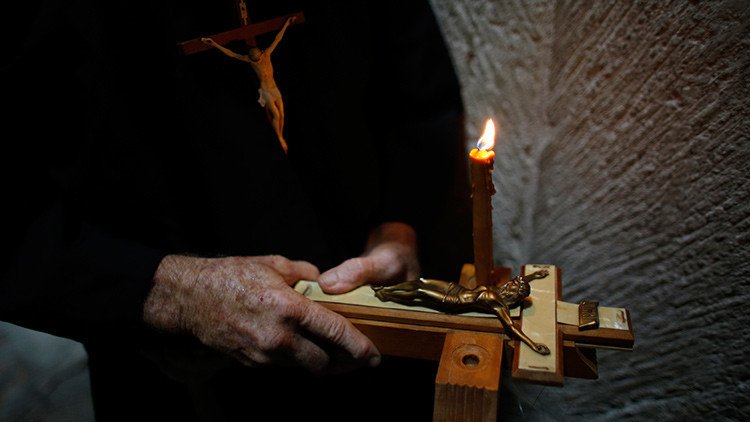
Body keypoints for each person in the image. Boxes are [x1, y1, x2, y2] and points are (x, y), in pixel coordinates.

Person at [1, 0, 469, 420]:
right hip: (179, 369)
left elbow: (416, 88)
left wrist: (399, 226)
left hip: (375, 335)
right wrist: (167, 292)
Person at [373, 270, 552, 355]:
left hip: (454, 301)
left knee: (420, 293)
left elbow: (511, 327)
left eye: (513, 285)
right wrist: (534, 276)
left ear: (515, 294)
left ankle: (387, 295)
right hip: (457, 288)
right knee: (422, 281)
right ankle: (387, 287)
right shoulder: (500, 291)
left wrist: (533, 344)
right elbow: (519, 282)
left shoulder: (499, 303)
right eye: (512, 282)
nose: (509, 283)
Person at [201, 16, 295, 153]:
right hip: (265, 90)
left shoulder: (267, 54)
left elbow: (277, 39)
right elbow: (231, 54)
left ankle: (281, 136)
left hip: (274, 87)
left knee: (282, 114)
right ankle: (280, 138)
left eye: (256, 56)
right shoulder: (249, 60)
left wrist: (287, 23)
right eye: (252, 57)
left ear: (260, 53)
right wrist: (214, 44)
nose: (255, 59)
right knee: (275, 114)